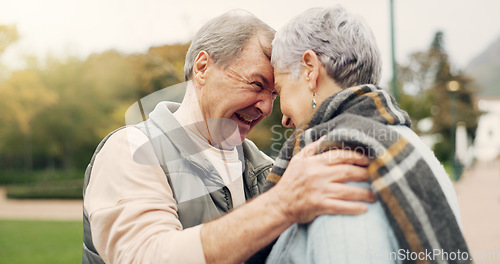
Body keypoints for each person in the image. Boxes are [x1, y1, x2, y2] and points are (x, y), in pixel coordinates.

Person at [82, 10, 377, 264]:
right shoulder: (131, 149)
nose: (266, 107)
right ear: (202, 68)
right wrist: (280, 206)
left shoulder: (267, 167)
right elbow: (146, 255)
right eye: (256, 84)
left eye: (275, 94)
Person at [264, 6, 471, 263]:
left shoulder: (337, 165)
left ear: (310, 69)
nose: (283, 118)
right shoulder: (411, 147)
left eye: (280, 89)